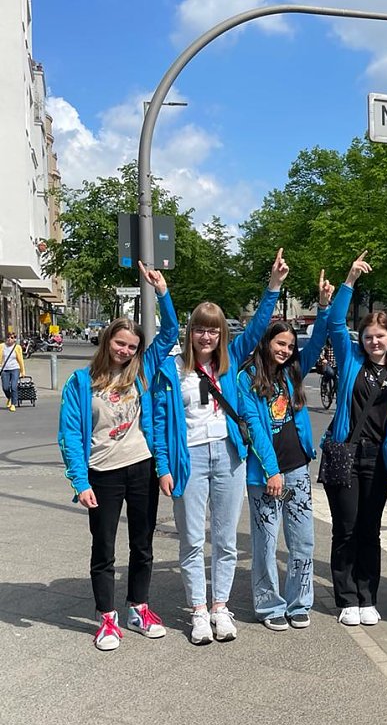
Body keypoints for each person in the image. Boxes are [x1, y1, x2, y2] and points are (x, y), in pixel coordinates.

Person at [152, 250, 289, 644]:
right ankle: (198, 610)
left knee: (225, 540)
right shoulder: (173, 367)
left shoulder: (230, 363)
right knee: (193, 539)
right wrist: (163, 465)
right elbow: (161, 422)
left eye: (213, 330)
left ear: (222, 334)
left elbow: (261, 324)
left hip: (229, 457)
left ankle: (220, 608)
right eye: (200, 329)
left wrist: (274, 286)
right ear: (191, 332)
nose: (207, 336)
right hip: (188, 458)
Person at [58, 263, 179, 651]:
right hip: (103, 472)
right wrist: (80, 482)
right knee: (104, 548)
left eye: (132, 346)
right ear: (107, 340)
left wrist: (162, 292)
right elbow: (69, 436)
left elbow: (172, 334)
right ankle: (106, 617)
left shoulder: (141, 374)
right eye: (120, 343)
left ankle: (138, 607)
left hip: (141, 467)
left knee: (142, 544)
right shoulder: (81, 383)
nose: (125, 350)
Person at [237, 273, 332, 631]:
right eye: (280, 343)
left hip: (297, 469)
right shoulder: (247, 378)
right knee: (264, 541)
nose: (286, 350)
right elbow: (256, 428)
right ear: (266, 343)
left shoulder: (293, 372)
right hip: (266, 473)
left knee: (303, 539)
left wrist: (323, 306)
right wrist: (271, 471)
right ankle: (268, 604)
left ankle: (299, 601)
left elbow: (321, 336)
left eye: (290, 346)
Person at [321, 251, 387, 626]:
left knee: (370, 529)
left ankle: (367, 595)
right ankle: (346, 598)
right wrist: (350, 279)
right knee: (346, 527)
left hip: (379, 458)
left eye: (381, 336)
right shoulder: (350, 358)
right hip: (346, 453)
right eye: (369, 336)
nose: (374, 342)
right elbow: (336, 321)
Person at [2, 331, 25, 412]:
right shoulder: (1, 346)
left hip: (15, 368)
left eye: (12, 338)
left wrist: (22, 371)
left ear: (15, 339)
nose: (9, 339)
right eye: (8, 337)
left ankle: (13, 404)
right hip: (4, 369)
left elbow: (21, 360)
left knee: (13, 386)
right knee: (5, 387)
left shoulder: (17, 347)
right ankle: (9, 397)